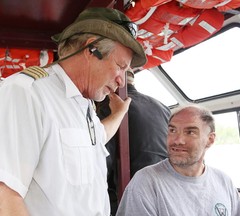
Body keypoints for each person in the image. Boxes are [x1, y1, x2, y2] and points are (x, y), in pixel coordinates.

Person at [0, 7, 146, 216]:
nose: (121, 80)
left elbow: (97, 137)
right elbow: (5, 195)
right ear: (91, 49)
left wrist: (119, 114)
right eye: (120, 66)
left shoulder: (83, 104)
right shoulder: (28, 93)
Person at [116, 104, 240, 216]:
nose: (177, 140)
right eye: (172, 130)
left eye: (190, 132)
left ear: (210, 140)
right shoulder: (146, 182)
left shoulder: (224, 182)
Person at [96, 69, 171, 215]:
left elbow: (102, 163)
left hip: (127, 197)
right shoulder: (163, 107)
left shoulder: (111, 108)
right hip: (163, 192)